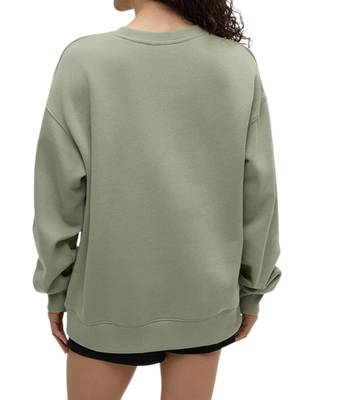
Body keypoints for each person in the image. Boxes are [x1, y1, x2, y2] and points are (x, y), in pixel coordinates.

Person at [32, 1, 282, 399]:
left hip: (108, 301)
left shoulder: (85, 60)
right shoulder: (235, 63)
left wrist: (56, 287)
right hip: (205, 301)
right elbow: (258, 193)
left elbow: (58, 195)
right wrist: (253, 290)